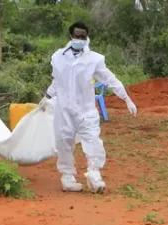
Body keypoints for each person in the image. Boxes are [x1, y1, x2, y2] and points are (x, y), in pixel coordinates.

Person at [44, 22, 137, 193]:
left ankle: (94, 177)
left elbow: (109, 78)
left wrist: (126, 97)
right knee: (64, 141)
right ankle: (67, 178)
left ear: (87, 38)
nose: (79, 39)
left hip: (85, 110)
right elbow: (57, 81)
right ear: (70, 36)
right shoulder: (58, 57)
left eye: (83, 36)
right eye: (76, 36)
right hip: (63, 109)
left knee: (93, 140)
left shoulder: (93, 59)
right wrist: (46, 97)